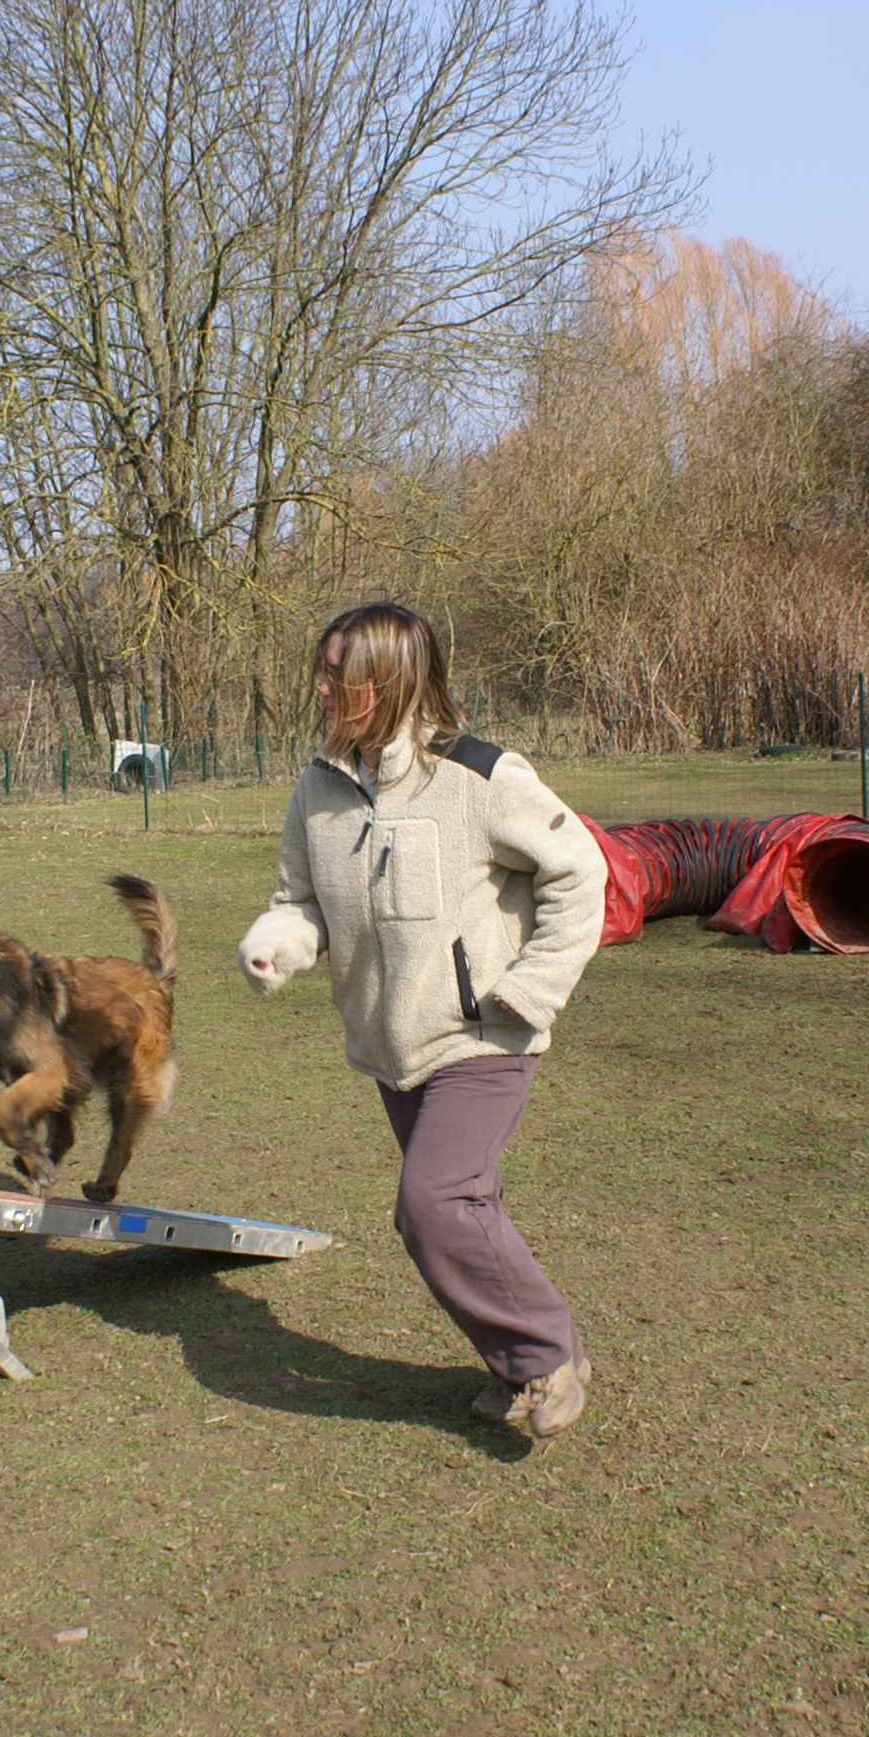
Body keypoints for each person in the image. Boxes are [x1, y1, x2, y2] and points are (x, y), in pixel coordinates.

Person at [239, 602, 607, 1440]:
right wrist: (278, 944)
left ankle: (546, 1358)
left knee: (433, 1203)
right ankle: (520, 1367)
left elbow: (581, 872)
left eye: (337, 672)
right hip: (391, 1044)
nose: (320, 686)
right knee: (464, 1207)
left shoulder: (478, 777)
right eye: (322, 670)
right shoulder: (318, 787)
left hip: (483, 1036)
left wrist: (533, 987)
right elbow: (301, 900)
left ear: (388, 678)